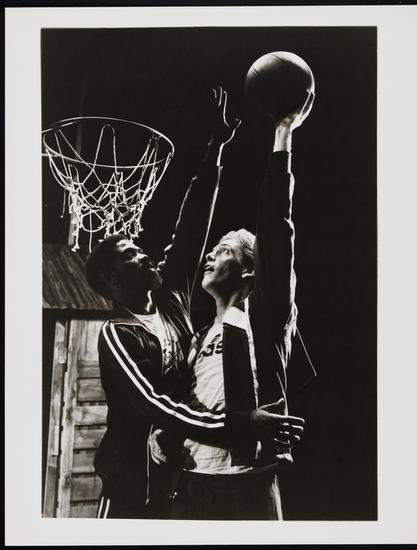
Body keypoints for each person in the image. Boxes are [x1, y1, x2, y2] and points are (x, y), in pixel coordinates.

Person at [85, 88, 300, 519]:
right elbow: (156, 404)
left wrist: (216, 148)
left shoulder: (184, 308)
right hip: (135, 482)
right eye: (131, 254)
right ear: (112, 279)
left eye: (223, 251)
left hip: (206, 477)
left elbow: (193, 229)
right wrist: (233, 425)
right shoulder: (120, 333)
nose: (145, 253)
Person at [151, 95, 316, 520]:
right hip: (190, 485)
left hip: (245, 484)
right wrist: (163, 432)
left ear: (250, 270)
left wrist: (283, 133)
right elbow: (185, 404)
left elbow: (277, 228)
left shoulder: (264, 317)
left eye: (224, 250)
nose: (210, 255)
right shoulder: (197, 336)